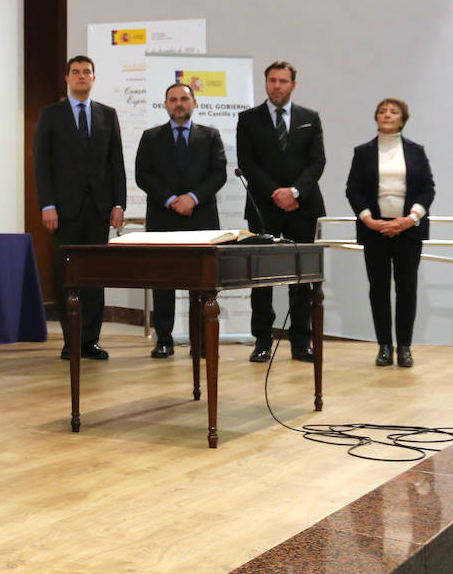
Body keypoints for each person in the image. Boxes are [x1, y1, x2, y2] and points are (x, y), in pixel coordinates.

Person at [33, 55, 127, 360]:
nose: (81, 76)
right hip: (63, 211)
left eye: (87, 72)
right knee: (68, 276)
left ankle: (91, 340)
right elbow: (41, 164)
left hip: (99, 210)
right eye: (76, 72)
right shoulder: (51, 115)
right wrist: (47, 204)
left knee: (95, 276)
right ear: (67, 79)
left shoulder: (107, 115)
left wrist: (118, 203)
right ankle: (71, 340)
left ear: (94, 78)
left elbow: (116, 164)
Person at [236, 60, 326, 362]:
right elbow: (247, 163)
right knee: (260, 277)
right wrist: (276, 194)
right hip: (264, 208)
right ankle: (262, 340)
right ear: (266, 83)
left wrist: (295, 192)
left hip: (303, 207)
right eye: (272, 80)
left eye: (283, 81)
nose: (277, 86)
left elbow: (318, 162)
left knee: (301, 277)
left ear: (293, 85)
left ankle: (301, 341)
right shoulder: (248, 119)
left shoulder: (309, 118)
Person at [134, 83, 227, 357]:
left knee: (201, 284)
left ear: (194, 103)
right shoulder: (151, 137)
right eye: (173, 100)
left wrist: (192, 198)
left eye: (184, 99)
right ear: (165, 105)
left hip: (201, 220)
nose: (178, 104)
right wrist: (172, 200)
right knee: (163, 282)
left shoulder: (210, 136)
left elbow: (218, 173)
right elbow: (143, 175)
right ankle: (164, 339)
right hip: (164, 219)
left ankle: (200, 341)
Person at [344, 98, 434, 368]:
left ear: (403, 119)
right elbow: (353, 189)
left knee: (407, 288)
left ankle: (404, 347)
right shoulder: (363, 152)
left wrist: (411, 219)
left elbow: (428, 188)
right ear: (376, 117)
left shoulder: (416, 151)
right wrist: (368, 219)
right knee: (379, 288)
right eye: (382, 111)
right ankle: (384, 346)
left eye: (393, 112)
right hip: (375, 230)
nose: (387, 115)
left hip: (408, 229)